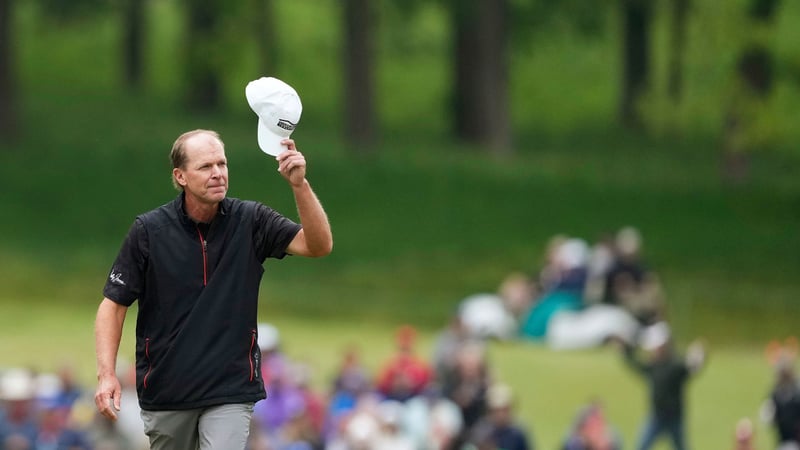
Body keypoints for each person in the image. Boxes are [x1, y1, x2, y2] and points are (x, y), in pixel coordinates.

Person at [93, 128, 333, 450]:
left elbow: (318, 245)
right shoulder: (149, 231)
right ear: (180, 176)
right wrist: (107, 373)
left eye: (222, 164)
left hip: (230, 389)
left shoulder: (251, 220)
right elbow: (113, 305)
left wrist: (298, 185)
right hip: (167, 391)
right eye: (206, 167)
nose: (218, 173)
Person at [614, 322, 706, 450]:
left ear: (663, 346)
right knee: (642, 446)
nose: (652, 350)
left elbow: (692, 368)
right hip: (656, 418)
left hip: (675, 419)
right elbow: (636, 364)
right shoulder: (653, 366)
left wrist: (698, 356)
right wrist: (624, 351)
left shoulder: (675, 365)